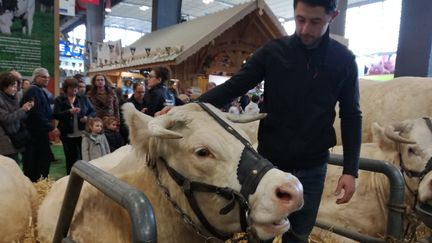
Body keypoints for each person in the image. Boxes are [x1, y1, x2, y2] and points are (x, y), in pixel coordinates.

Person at [198, 1, 362, 242]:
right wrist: (191, 107)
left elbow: (351, 115)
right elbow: (235, 86)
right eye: (300, 19)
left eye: (315, 21)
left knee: (298, 236)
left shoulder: (344, 60)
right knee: (259, 234)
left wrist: (350, 170)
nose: (305, 29)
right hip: (269, 165)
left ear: (333, 16)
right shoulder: (273, 51)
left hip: (313, 168)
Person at [20, 68, 60, 182]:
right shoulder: (33, 90)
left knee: (40, 160)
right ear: (36, 77)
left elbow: (44, 112)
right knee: (35, 162)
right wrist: (51, 127)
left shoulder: (39, 90)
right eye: (44, 77)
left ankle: (39, 182)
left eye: (48, 77)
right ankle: (36, 183)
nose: (47, 79)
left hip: (39, 133)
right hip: (34, 135)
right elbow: (36, 113)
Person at [53, 77, 96, 174]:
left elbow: (93, 111)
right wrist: (69, 112)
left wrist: (87, 118)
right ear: (66, 89)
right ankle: (70, 177)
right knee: (70, 158)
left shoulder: (83, 98)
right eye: (72, 88)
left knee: (83, 156)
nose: (75, 90)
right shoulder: (59, 100)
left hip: (82, 133)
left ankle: (84, 176)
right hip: (67, 134)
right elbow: (55, 115)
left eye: (76, 88)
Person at [0, 72, 34, 163]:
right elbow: (6, 118)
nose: (15, 89)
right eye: (13, 86)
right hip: (5, 140)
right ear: (4, 86)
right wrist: (23, 110)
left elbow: (17, 116)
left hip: (14, 136)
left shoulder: (13, 97)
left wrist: (26, 109)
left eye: (16, 86)